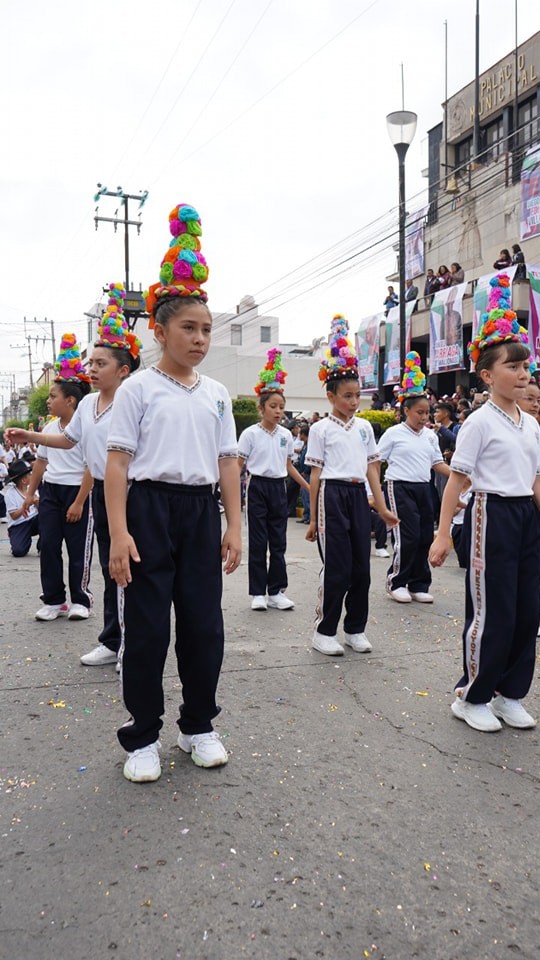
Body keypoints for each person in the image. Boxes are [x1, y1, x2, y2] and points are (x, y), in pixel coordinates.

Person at [104, 203, 241, 783]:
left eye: (207, 329)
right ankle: (142, 736)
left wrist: (234, 524)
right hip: (148, 509)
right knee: (149, 628)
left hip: (199, 511)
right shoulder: (138, 389)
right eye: (189, 327)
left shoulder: (215, 393)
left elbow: (227, 460)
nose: (200, 338)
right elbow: (117, 465)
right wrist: (117, 533)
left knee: (205, 626)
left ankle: (197, 725)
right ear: (159, 330)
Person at [429, 272, 540, 733]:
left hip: (525, 516)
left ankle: (511, 693)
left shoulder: (531, 424)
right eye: (513, 367)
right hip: (489, 514)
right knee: (493, 609)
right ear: (488, 375)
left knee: (527, 610)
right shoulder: (478, 422)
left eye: (526, 368)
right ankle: (472, 695)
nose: (523, 375)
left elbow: (536, 479)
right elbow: (457, 481)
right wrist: (442, 534)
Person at [8, 285, 143, 667]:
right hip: (101, 490)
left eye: (100, 364)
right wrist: (28, 435)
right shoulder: (87, 403)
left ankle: (133, 645)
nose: (91, 370)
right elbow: (67, 440)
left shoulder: (134, 400)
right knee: (108, 566)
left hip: (133, 493)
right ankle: (113, 640)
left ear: (123, 370)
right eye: (90, 364)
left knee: (128, 568)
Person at [305, 314, 398, 656]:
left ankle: (355, 628)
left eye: (357, 395)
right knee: (338, 567)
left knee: (362, 568)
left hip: (358, 495)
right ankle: (324, 629)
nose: (354, 401)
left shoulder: (363, 428)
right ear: (331, 396)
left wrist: (382, 505)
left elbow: (373, 468)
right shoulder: (321, 430)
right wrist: (314, 518)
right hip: (332, 495)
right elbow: (315, 476)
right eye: (347, 395)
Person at [21, 334, 93, 621]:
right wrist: (30, 495)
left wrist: (78, 502)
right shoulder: (50, 427)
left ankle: (81, 600)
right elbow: (41, 462)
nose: (49, 401)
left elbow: (92, 467)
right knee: (48, 545)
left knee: (78, 550)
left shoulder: (86, 426)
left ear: (70, 400)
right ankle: (54, 600)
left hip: (78, 493)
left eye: (53, 396)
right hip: (51, 492)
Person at [238, 349, 309, 611]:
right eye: (273, 406)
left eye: (281, 407)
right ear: (261, 408)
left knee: (279, 541)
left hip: (278, 488)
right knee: (258, 542)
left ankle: (276, 591)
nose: (279, 411)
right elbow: (238, 465)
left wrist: (307, 486)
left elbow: (288, 465)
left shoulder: (286, 436)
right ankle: (257, 592)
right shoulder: (249, 434)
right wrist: (228, 493)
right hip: (257, 487)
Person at [376, 352, 450, 603]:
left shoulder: (430, 436)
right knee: (406, 535)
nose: (424, 417)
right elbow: (375, 462)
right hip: (399, 487)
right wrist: (374, 491)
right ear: (406, 410)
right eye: (419, 412)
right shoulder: (393, 434)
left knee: (423, 536)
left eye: (427, 413)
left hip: (423, 488)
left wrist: (461, 477)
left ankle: (419, 583)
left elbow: (437, 463)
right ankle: (397, 581)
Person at [3, 459, 39, 557]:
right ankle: (18, 539)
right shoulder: (10, 494)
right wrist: (26, 506)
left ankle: (42, 546)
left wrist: (37, 503)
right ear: (23, 480)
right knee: (19, 551)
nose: (32, 476)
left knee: (47, 518)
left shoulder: (33, 489)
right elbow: (14, 516)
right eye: (29, 475)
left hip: (34, 519)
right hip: (19, 524)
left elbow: (41, 509)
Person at [451, 475, 472, 568]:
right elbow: (452, 511)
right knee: (459, 549)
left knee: (466, 550)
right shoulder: (456, 492)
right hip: (456, 524)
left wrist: (460, 505)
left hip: (467, 525)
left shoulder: (472, 492)